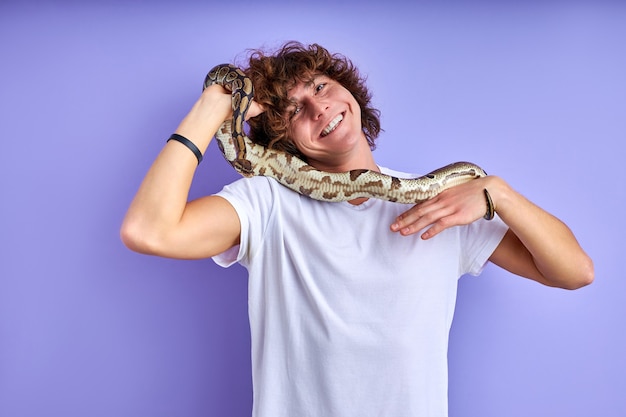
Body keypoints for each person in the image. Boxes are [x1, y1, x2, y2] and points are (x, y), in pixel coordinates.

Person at [121, 41, 593, 417]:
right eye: (294, 110)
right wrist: (216, 102)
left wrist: (498, 194)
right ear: (280, 144)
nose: (319, 108)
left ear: (348, 91)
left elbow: (574, 271)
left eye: (321, 87)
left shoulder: (444, 204)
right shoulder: (266, 203)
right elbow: (148, 231)